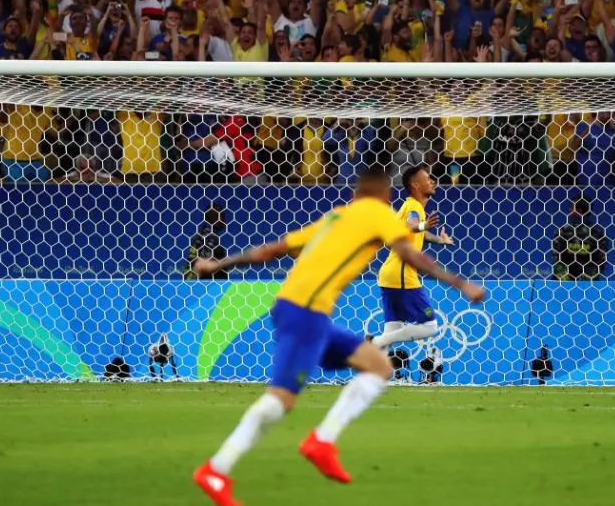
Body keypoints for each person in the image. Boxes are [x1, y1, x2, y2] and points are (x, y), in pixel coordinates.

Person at [191, 167, 485, 506]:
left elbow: (272, 250)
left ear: (355, 193)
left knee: (378, 366)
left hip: (299, 311)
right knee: (280, 401)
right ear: (386, 195)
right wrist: (461, 284)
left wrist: (218, 265)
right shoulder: (379, 213)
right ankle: (216, 469)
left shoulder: (335, 217)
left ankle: (322, 441)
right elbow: (410, 253)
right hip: (304, 313)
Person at [372, 165, 454, 350]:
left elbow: (416, 232)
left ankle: (374, 366)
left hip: (390, 275)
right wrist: (423, 225)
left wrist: (439, 240)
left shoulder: (408, 206)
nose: (432, 181)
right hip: (402, 275)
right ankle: (374, 342)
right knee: (430, 326)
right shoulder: (413, 207)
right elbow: (412, 225)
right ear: (415, 185)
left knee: (392, 330)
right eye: (427, 179)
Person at [552, 196, 609, 281]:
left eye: (572, 207)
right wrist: (566, 281)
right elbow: (556, 258)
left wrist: (585, 281)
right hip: (563, 283)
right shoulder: (562, 232)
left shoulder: (597, 234)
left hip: (588, 284)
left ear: (579, 211)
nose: (569, 210)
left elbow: (600, 261)